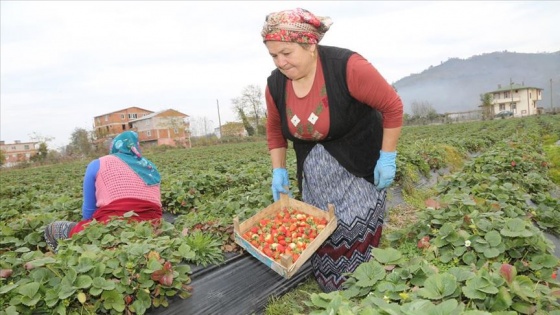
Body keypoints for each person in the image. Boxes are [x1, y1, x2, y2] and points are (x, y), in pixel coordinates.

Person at [261, 8, 404, 292]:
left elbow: (392, 106)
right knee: (322, 237)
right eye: (274, 56)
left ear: (310, 45)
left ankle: (364, 296)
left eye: (287, 53)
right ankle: (332, 297)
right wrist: (279, 170)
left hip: (356, 168)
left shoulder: (347, 66)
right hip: (315, 177)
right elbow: (275, 130)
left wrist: (387, 157)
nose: (281, 62)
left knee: (355, 234)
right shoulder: (275, 84)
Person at [44, 131, 162, 252]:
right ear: (136, 146)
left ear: (115, 146)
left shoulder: (99, 163)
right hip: (152, 226)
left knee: (52, 229)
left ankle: (64, 258)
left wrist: (88, 231)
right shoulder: (149, 166)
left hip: (113, 226)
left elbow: (88, 210)